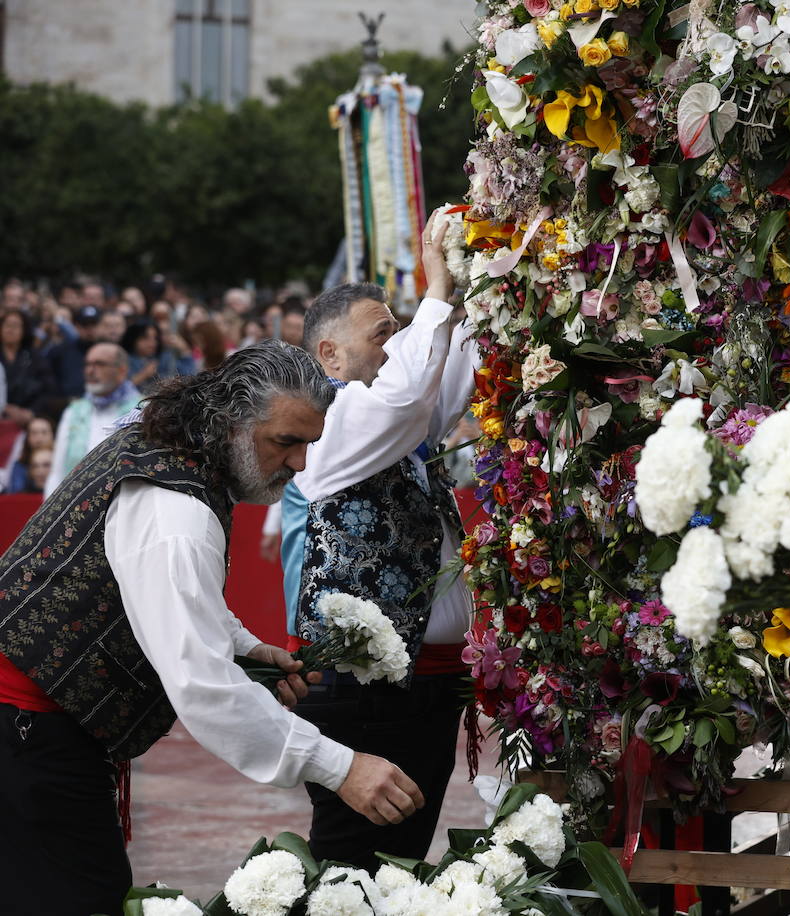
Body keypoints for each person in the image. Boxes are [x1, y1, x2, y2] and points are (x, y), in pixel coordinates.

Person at [0, 341, 425, 916]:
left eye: (309, 444)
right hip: (28, 733)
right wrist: (340, 766)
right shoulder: (176, 511)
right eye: (286, 441)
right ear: (231, 422)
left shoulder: (170, 446)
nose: (301, 463)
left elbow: (166, 593)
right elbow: (200, 684)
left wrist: (245, 648)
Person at [281, 208, 479, 870]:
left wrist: (477, 282)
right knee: (351, 868)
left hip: (427, 686)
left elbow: (438, 387)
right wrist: (435, 285)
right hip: (362, 693)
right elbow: (408, 393)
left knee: (401, 864)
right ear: (328, 354)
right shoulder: (330, 422)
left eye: (399, 332)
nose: (396, 346)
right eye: (381, 333)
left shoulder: (396, 424)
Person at [45, 342, 143, 498]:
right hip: (76, 506)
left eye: (99, 364)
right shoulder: (73, 412)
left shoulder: (142, 411)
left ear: (122, 370)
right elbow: (57, 472)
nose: (90, 371)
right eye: (88, 364)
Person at [0, 307, 60, 424]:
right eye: (7, 325)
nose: (10, 329)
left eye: (16, 326)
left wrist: (31, 412)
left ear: (24, 330)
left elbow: (49, 389)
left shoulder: (35, 357)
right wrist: (3, 407)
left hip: (28, 419)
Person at [121, 318, 196, 393]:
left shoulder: (164, 357)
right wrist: (143, 374)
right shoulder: (124, 359)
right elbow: (120, 389)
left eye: (155, 338)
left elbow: (188, 378)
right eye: (145, 337)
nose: (152, 343)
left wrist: (185, 351)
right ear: (133, 338)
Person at [8, 415, 56, 493]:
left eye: (44, 432)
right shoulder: (20, 465)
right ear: (28, 437)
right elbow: (16, 495)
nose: (39, 437)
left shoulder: (62, 462)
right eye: (34, 433)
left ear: (52, 435)